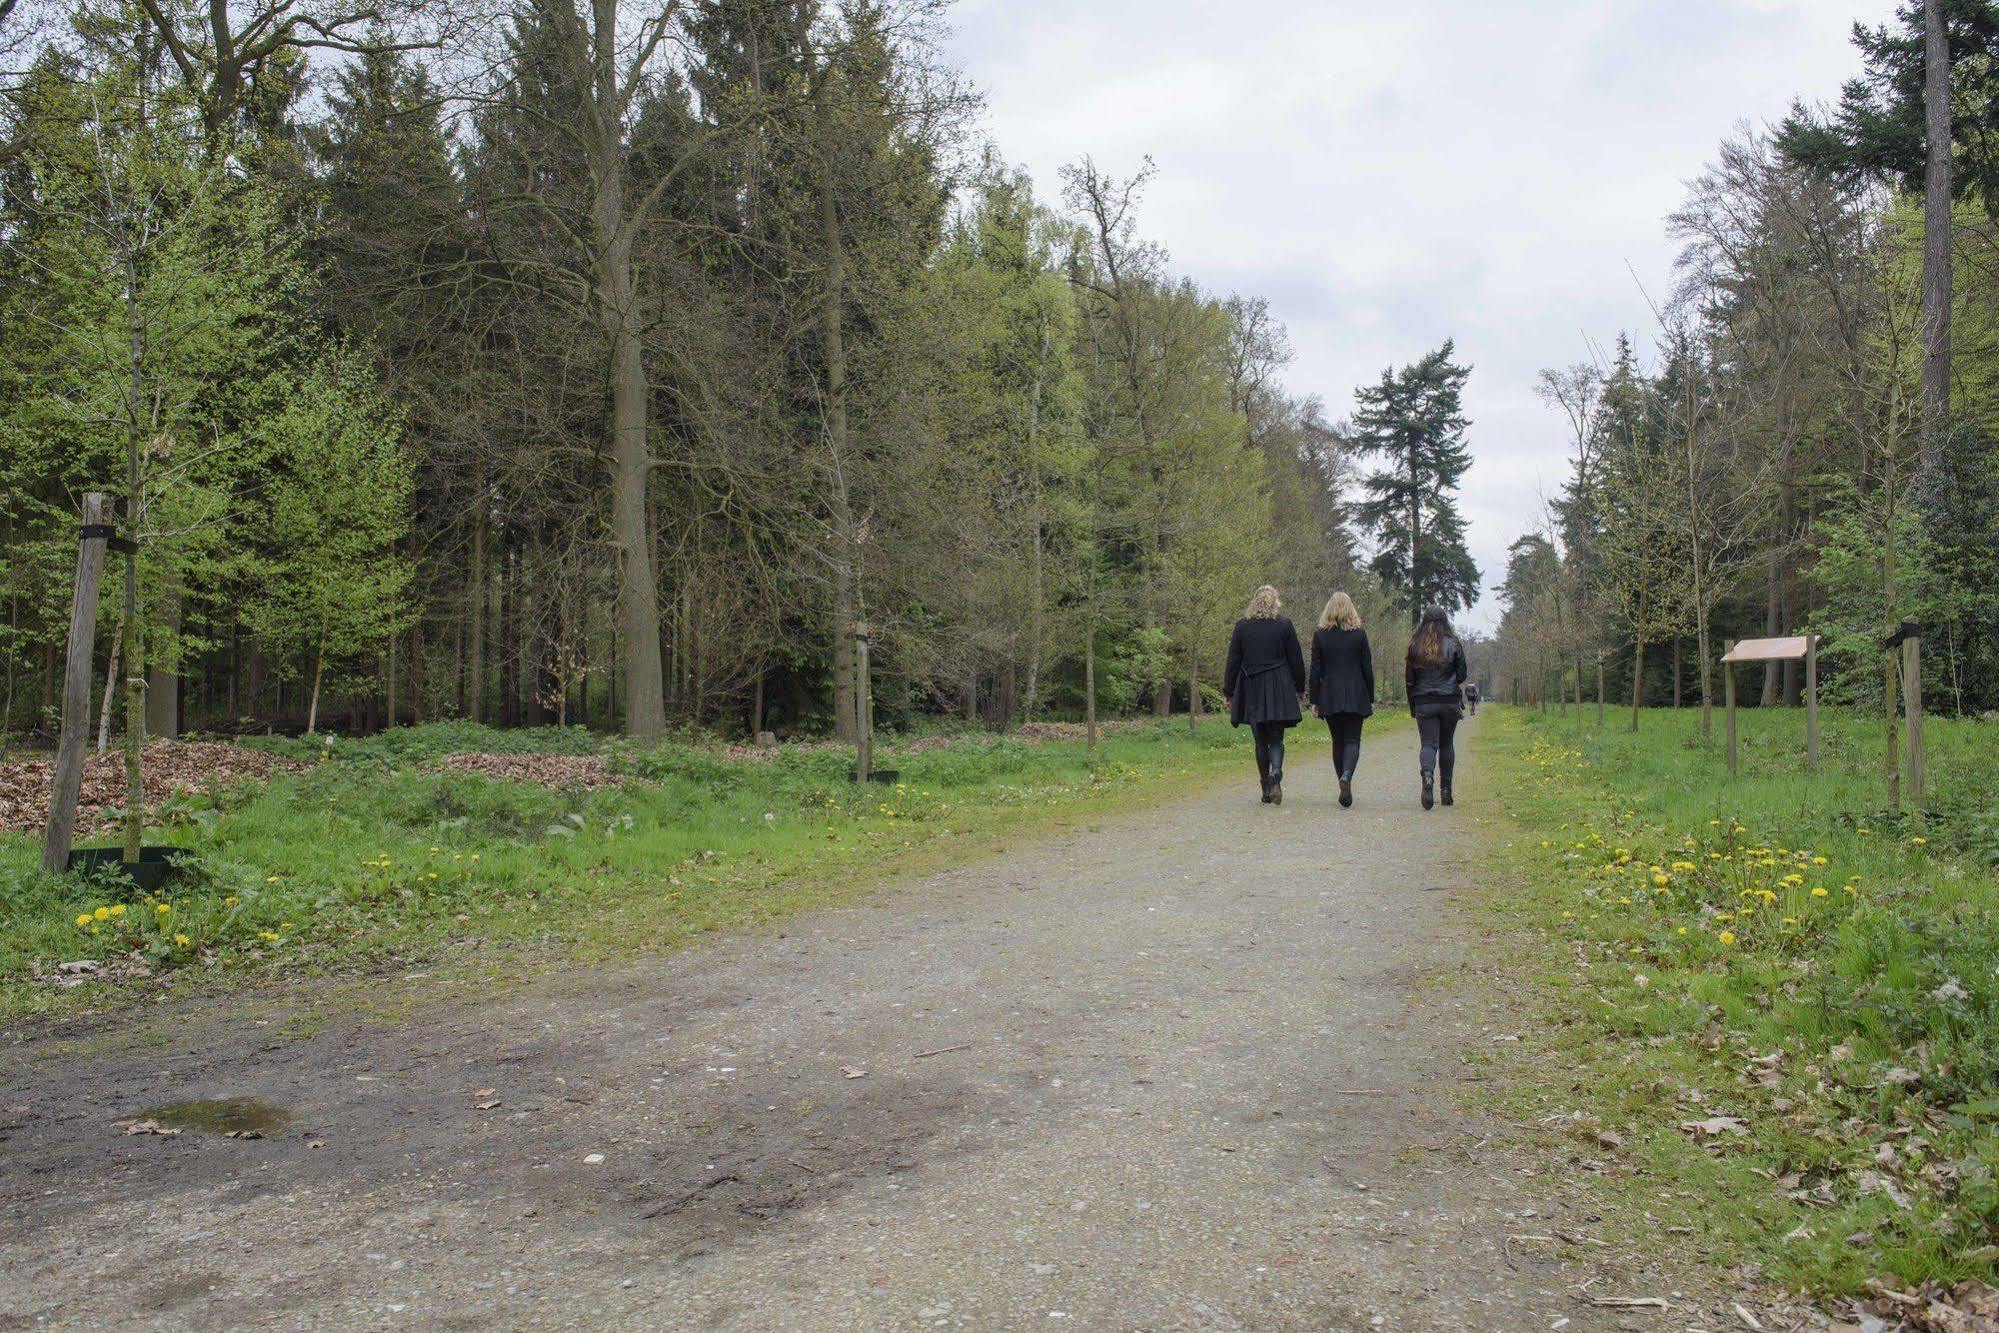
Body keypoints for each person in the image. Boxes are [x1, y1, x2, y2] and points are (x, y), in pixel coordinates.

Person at [1223, 585, 1306, 805]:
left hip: (1252, 687)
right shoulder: (1284, 625)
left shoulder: (1242, 626)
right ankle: (1276, 773)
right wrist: (1300, 687)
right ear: (1275, 602)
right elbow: (1296, 659)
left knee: (1260, 741)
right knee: (1276, 738)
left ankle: (1265, 789)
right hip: (1278, 685)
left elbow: (1233, 660)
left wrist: (1228, 690)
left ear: (1255, 602)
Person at [1307, 591, 1373, 808]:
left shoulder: (1320, 635)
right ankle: (1347, 775)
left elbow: (1315, 670)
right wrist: (1370, 696)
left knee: (1338, 741)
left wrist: (1314, 699)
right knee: (1353, 740)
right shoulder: (1359, 635)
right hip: (1356, 693)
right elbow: (1367, 668)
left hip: (1330, 695)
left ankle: (1342, 783)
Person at [1404, 605, 1468, 810]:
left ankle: (1428, 775)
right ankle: (1446, 791)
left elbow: (1410, 680)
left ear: (1424, 622)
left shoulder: (1415, 645)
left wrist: (1412, 705)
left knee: (1429, 744)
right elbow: (1462, 675)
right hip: (1449, 700)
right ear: (1445, 621)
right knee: (1447, 744)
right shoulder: (1454, 643)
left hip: (1424, 701)